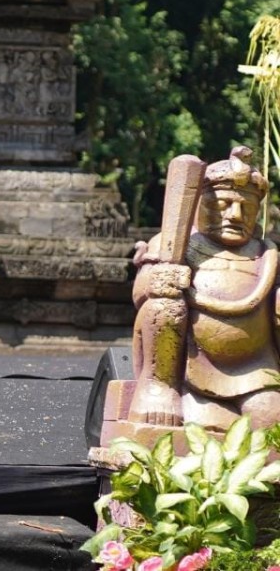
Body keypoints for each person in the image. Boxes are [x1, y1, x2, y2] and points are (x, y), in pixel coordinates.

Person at [129, 146, 280, 430]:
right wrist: (158, 278)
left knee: (271, 422)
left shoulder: (267, 254)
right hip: (189, 362)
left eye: (246, 208)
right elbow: (141, 293)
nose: (235, 215)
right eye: (222, 205)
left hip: (254, 367)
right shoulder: (175, 244)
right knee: (163, 302)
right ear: (199, 204)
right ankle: (159, 388)